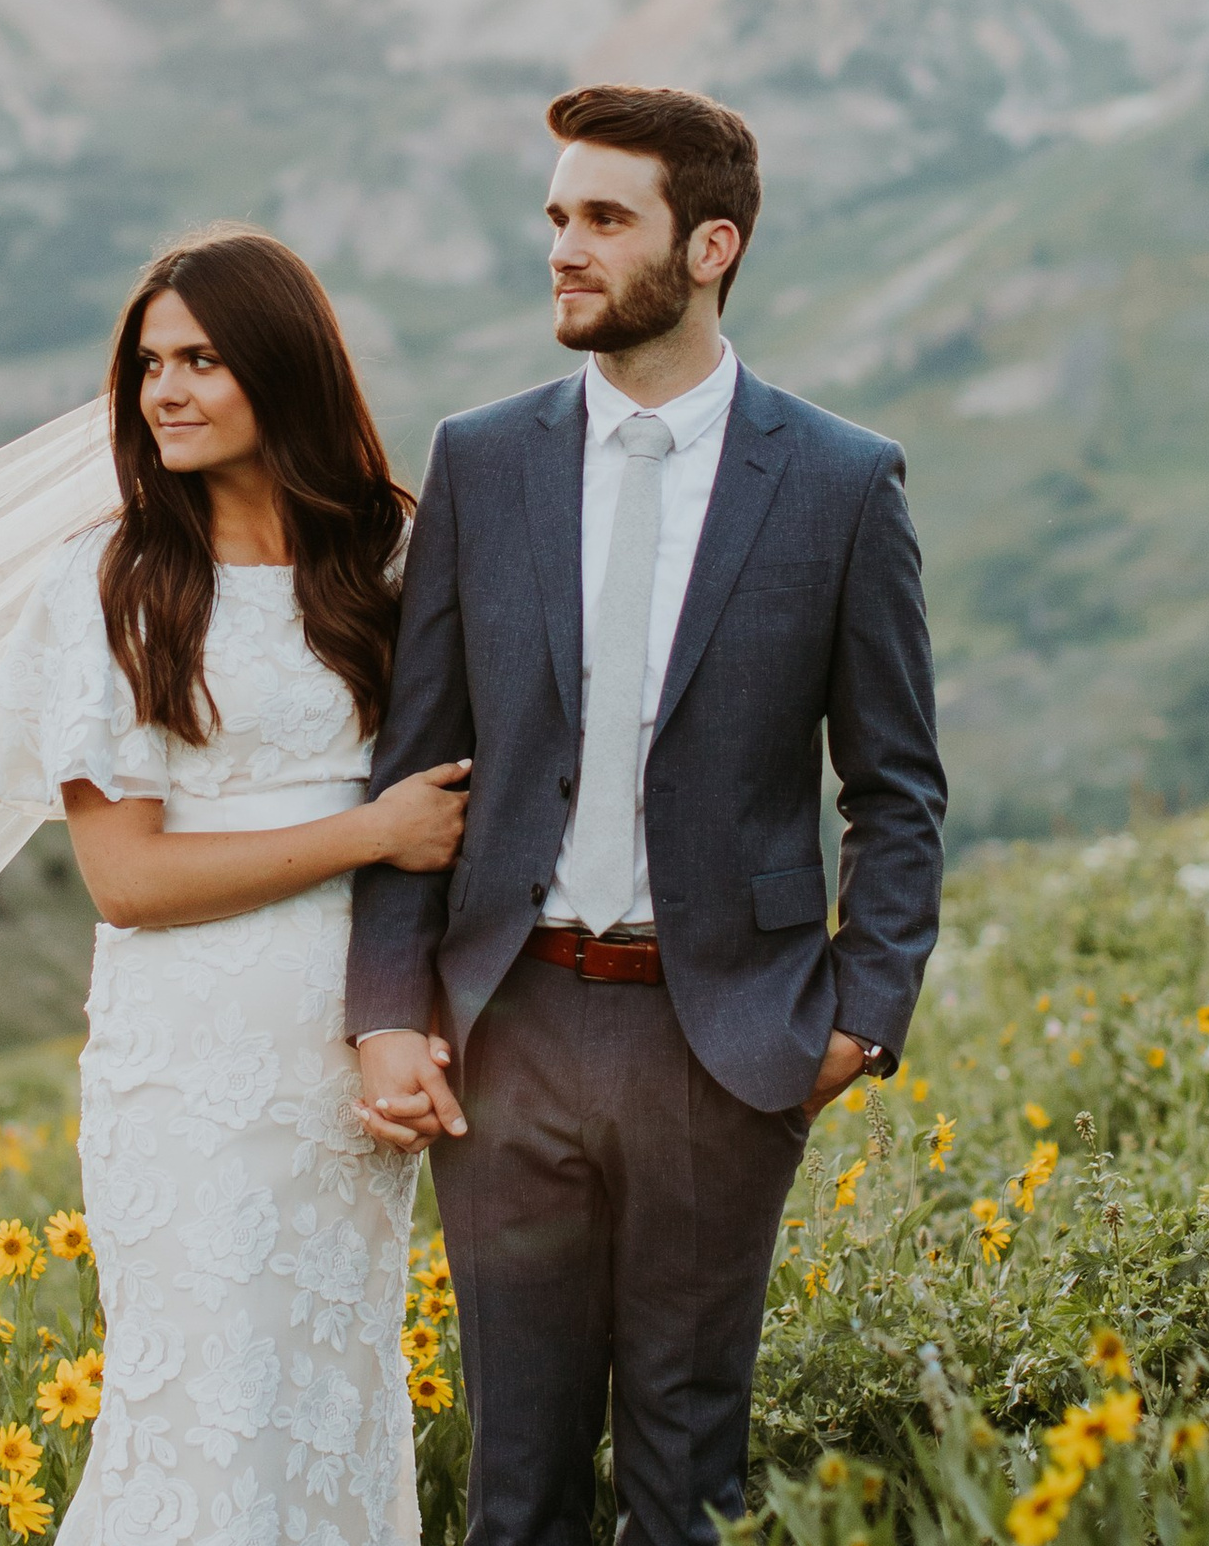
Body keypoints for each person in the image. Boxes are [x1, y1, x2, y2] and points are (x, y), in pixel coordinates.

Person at [346, 85, 945, 1546]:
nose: (564, 247)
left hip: (722, 1042)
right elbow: (415, 763)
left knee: (689, 1491)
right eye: (557, 216)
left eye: (604, 219)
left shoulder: (842, 482)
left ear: (712, 245)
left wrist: (860, 1020)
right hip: (514, 1031)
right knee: (517, 1491)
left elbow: (896, 787)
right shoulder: (480, 463)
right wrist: (387, 1009)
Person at [0, 226, 471, 1546]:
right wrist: (373, 835)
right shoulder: (111, 582)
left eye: (201, 359)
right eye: (148, 366)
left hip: (350, 1065)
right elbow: (125, 877)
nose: (166, 392)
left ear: (283, 369)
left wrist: (409, 1017)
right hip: (186, 1068)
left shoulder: (393, 555)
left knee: (334, 1400)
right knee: (201, 1419)